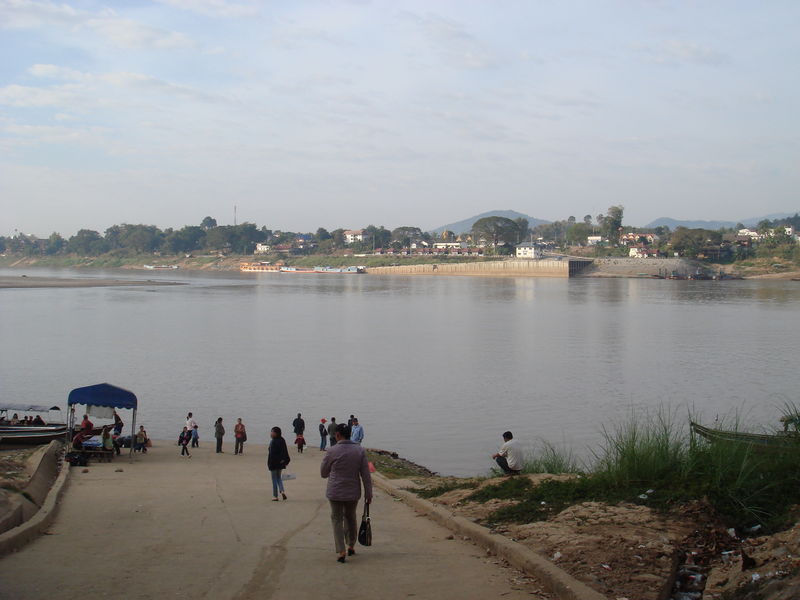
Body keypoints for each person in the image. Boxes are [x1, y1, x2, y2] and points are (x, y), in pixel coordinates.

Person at [320, 423, 373, 563]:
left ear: (337, 435)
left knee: (337, 519)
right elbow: (366, 475)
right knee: (350, 517)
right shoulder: (360, 451)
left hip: (335, 491)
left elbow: (323, 473)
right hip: (352, 491)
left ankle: (341, 550)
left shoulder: (331, 451)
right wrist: (369, 493)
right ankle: (351, 545)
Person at [267, 427, 291, 502]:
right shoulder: (282, 440)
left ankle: (275, 496)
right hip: (280, 463)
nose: (271, 433)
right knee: (279, 478)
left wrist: (270, 464)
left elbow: (272, 455)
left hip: (274, 464)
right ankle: (282, 491)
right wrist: (286, 461)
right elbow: (285, 451)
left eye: (272, 432)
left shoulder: (273, 442)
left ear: (276, 433)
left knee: (274, 479)